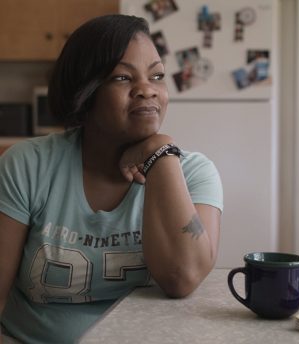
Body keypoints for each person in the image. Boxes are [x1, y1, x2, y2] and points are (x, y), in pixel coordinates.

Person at [0, 14, 223, 344]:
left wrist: (162, 154)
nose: (147, 90)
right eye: (122, 78)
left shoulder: (194, 173)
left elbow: (183, 277)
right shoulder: (27, 165)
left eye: (157, 76)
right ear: (85, 91)